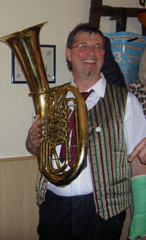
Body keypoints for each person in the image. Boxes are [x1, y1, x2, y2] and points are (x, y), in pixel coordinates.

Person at [26, 23, 146, 240]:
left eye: (98, 47)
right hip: (54, 205)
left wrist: (142, 218)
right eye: (83, 45)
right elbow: (37, 148)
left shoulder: (127, 101)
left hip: (103, 212)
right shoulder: (52, 99)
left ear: (104, 55)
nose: (91, 52)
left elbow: (141, 162)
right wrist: (32, 141)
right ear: (69, 54)